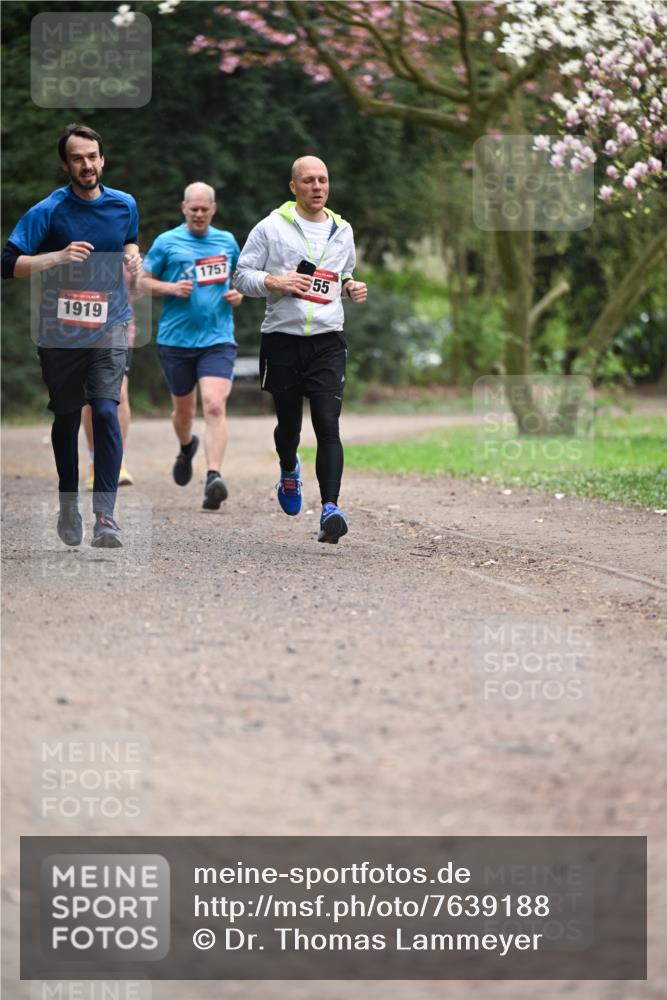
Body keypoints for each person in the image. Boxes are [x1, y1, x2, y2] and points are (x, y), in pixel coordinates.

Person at [1, 123, 141, 548]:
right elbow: (8, 262)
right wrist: (56, 257)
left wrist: (134, 256)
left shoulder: (124, 204)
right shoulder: (48, 210)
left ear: (103, 159)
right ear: (66, 164)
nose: (87, 165)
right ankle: (68, 503)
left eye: (92, 156)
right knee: (65, 417)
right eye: (77, 158)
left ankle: (106, 516)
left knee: (104, 409)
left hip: (110, 323)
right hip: (59, 330)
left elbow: (130, 239)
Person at [233, 155, 367, 544]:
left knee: (328, 424)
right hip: (283, 340)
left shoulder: (342, 230)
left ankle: (330, 509)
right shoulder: (271, 227)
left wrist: (350, 287)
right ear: (293, 187)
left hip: (327, 340)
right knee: (289, 426)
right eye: (308, 180)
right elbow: (242, 276)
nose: (317, 187)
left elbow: (344, 275)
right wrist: (275, 281)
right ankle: (289, 469)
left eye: (323, 179)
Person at [141, 182, 243, 510]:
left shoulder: (226, 241)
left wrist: (239, 293)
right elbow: (141, 282)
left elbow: (243, 277)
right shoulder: (166, 242)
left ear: (213, 209)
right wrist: (170, 288)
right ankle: (187, 447)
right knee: (183, 413)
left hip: (217, 338)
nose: (199, 215)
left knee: (214, 405)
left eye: (205, 209)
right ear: (183, 207)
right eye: (193, 209)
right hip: (175, 340)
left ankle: (214, 476)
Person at [82, 264, 138, 490]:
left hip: (120, 331)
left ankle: (119, 461)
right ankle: (95, 462)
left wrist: (137, 275)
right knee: (89, 400)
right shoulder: (78, 244)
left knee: (120, 395)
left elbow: (137, 292)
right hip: (82, 330)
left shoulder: (125, 246)